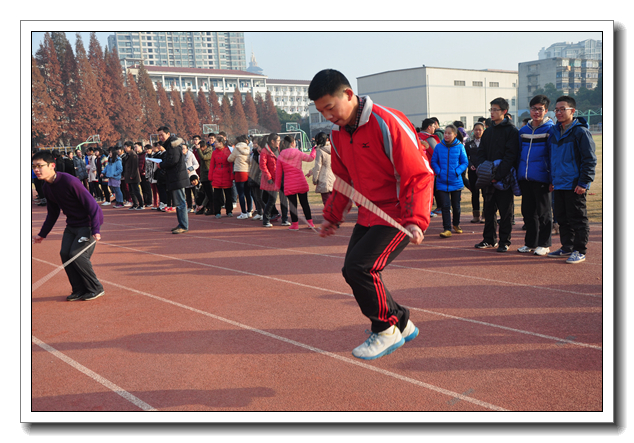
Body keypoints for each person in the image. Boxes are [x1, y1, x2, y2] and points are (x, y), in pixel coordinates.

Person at [308, 69, 434, 360]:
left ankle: (386, 329)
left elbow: (419, 174)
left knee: (360, 268)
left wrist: (416, 219)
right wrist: (332, 216)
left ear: (349, 95)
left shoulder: (387, 122)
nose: (328, 116)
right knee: (351, 271)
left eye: (330, 107)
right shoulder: (339, 134)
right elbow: (343, 180)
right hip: (368, 214)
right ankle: (401, 321)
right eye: (321, 111)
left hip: (397, 215)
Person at [32, 151, 105, 301]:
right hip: (72, 224)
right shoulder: (46, 187)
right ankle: (78, 290)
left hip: (88, 223)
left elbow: (92, 206)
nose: (36, 170)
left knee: (77, 255)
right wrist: (42, 234)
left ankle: (95, 288)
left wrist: (96, 230)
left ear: (52, 166)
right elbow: (52, 213)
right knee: (65, 254)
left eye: (40, 166)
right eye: (34, 166)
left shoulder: (69, 181)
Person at [547, 96, 597, 264]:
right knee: (561, 217)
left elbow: (589, 159)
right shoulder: (554, 132)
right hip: (558, 183)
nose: (559, 113)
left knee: (577, 218)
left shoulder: (580, 132)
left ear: (572, 111)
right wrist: (552, 179)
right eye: (557, 110)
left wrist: (584, 183)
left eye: (563, 109)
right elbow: (552, 158)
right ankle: (566, 246)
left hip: (574, 184)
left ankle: (579, 250)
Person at [474, 97, 520, 252]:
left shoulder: (512, 131)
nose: (492, 113)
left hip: (504, 179)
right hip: (487, 178)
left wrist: (497, 175)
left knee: (505, 212)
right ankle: (489, 239)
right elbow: (481, 153)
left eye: (495, 110)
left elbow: (510, 157)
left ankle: (504, 241)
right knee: (488, 210)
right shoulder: (488, 132)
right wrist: (484, 170)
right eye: (491, 110)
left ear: (504, 111)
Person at [517, 95, 555, 256]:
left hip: (542, 178)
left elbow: (553, 155)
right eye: (533, 108)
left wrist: (552, 179)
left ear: (546, 111)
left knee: (544, 213)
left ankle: (545, 244)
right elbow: (518, 153)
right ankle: (530, 243)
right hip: (525, 178)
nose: (536, 112)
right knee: (528, 212)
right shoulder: (523, 131)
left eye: (540, 109)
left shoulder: (550, 130)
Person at [431, 124, 469, 238]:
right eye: (445, 133)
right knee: (445, 206)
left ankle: (456, 224)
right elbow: (434, 162)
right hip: (442, 181)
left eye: (449, 133)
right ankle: (447, 229)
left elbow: (464, 162)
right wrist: (439, 172)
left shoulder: (460, 146)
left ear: (455, 135)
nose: (446, 135)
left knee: (456, 207)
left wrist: (457, 171)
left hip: (456, 181)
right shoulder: (438, 147)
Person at [275, 135, 316, 230]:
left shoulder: (281, 156)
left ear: (284, 144)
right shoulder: (298, 153)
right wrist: (314, 149)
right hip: (300, 181)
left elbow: (278, 173)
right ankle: (310, 223)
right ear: (293, 143)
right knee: (305, 203)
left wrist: (277, 186)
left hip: (289, 184)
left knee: (293, 205)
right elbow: (310, 158)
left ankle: (295, 224)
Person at [157, 126, 189, 233]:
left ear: (168, 134)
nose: (161, 137)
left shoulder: (173, 145)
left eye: (162, 134)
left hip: (177, 177)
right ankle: (181, 224)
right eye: (159, 135)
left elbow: (173, 161)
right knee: (179, 202)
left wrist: (161, 165)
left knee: (180, 202)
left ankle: (183, 226)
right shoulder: (171, 145)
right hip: (176, 176)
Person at [260, 133, 289, 227]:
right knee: (272, 199)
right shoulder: (265, 151)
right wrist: (268, 177)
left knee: (284, 199)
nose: (279, 142)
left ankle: (285, 219)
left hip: (282, 177)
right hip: (272, 179)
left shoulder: (280, 149)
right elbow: (263, 166)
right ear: (272, 141)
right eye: (278, 140)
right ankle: (266, 219)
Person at [208, 134, 234, 218]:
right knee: (217, 196)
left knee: (228, 195)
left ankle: (229, 211)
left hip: (226, 174)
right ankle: (217, 212)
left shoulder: (227, 151)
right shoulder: (214, 152)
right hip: (217, 174)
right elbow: (212, 165)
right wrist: (210, 176)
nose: (214, 143)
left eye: (216, 142)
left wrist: (231, 176)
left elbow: (231, 164)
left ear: (221, 143)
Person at [227, 134, 253, 219]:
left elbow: (230, 159)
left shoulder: (236, 148)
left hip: (239, 172)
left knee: (241, 193)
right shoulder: (248, 148)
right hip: (248, 171)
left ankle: (243, 212)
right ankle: (249, 211)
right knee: (248, 193)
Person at [464, 122, 485, 223]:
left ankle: (485, 216)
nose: (477, 132)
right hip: (472, 172)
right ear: (473, 130)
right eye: (476, 129)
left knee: (486, 194)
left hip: (484, 172)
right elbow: (465, 158)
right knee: (475, 193)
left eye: (480, 129)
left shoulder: (487, 143)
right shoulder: (469, 144)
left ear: (483, 131)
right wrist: (470, 164)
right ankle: (476, 216)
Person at [309, 132, 335, 205]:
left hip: (324, 179)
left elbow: (318, 166)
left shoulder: (320, 150)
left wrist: (315, 179)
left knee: (327, 203)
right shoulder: (334, 148)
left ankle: (330, 216)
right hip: (334, 178)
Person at [122, 142, 144, 210]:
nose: (125, 148)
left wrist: (132, 175)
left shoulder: (133, 155)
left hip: (133, 176)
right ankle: (135, 204)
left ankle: (141, 204)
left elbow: (135, 167)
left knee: (136, 191)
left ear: (129, 147)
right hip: (128, 175)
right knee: (131, 191)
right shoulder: (127, 155)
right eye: (124, 146)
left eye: (126, 146)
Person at [247, 137, 265, 220]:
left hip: (259, 177)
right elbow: (249, 162)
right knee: (255, 196)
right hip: (253, 175)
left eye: (256, 143)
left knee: (260, 197)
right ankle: (259, 212)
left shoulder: (261, 154)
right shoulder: (253, 153)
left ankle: (265, 212)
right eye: (253, 143)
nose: (254, 145)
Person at [182, 143, 200, 213]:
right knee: (187, 193)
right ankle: (189, 206)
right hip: (184, 177)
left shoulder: (191, 155)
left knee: (195, 192)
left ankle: (196, 206)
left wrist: (190, 169)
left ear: (187, 149)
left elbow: (197, 164)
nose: (182, 150)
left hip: (192, 176)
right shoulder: (180, 156)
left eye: (183, 148)